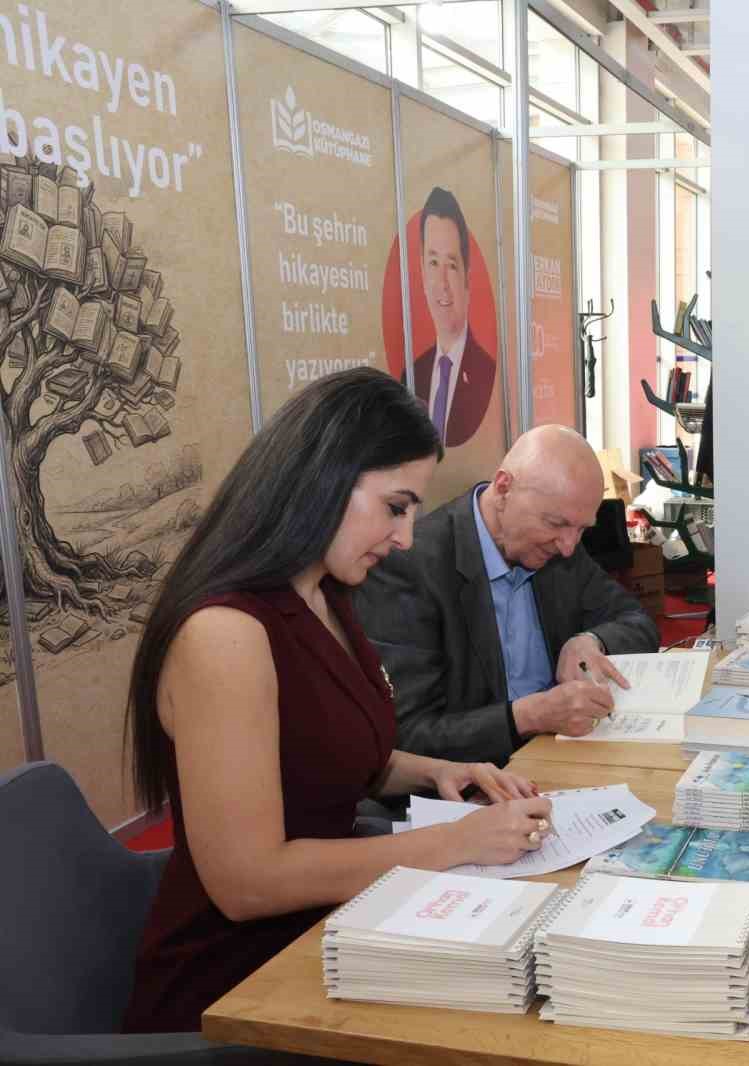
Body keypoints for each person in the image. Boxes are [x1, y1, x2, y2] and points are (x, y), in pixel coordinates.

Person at [121, 369, 554, 1034]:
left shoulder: (326, 594)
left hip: (327, 935)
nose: (407, 536)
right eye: (395, 506)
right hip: (235, 991)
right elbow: (248, 883)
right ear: (324, 478)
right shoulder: (225, 635)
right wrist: (455, 841)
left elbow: (320, 746)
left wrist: (432, 771)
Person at [354, 425, 660, 764]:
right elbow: (408, 736)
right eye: (556, 524)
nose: (570, 546)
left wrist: (590, 640)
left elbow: (637, 620)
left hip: (562, 758)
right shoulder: (413, 566)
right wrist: (527, 717)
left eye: (581, 529)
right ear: (503, 490)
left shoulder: (561, 549)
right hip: (473, 785)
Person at [412, 186, 495, 448]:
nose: (443, 284)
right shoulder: (412, 375)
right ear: (422, 273)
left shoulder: (486, 372)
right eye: (434, 264)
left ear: (467, 279)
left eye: (452, 265)